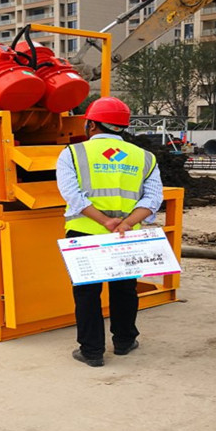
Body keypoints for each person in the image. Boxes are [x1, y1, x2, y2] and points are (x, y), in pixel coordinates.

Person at [56, 96, 163, 367]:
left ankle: (91, 352)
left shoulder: (72, 153)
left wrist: (104, 221)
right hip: (126, 235)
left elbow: (73, 196)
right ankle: (125, 342)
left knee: (87, 293)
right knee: (125, 289)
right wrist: (125, 223)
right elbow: (152, 200)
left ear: (91, 125)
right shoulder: (145, 157)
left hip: (84, 232)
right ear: (121, 128)